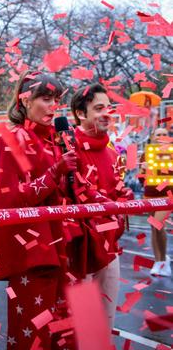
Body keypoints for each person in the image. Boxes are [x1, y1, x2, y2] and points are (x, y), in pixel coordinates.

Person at [0, 71, 78, 350]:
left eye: (56, 100)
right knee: (31, 334)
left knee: (57, 330)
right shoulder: (13, 139)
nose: (53, 107)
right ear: (25, 101)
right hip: (31, 254)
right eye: (45, 99)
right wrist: (56, 171)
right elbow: (14, 199)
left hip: (58, 247)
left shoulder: (54, 140)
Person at [69, 83, 133, 326]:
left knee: (104, 323)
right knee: (78, 328)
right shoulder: (66, 148)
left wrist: (124, 199)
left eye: (109, 107)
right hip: (78, 251)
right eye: (99, 108)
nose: (107, 113)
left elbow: (116, 194)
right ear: (81, 113)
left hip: (108, 249)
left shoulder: (114, 155)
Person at [141, 126, 171, 276]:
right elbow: (140, 177)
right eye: (158, 134)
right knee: (153, 227)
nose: (161, 136)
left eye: (165, 134)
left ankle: (163, 262)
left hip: (167, 196)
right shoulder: (147, 154)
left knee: (158, 225)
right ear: (153, 137)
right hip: (150, 195)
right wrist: (144, 170)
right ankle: (158, 259)